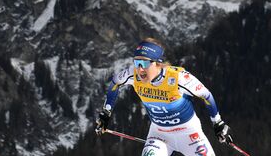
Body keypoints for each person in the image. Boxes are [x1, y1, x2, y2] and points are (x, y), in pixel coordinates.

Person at [95, 38, 233, 156]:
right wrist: (105, 114)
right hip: (159, 135)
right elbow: (115, 84)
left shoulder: (178, 78)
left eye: (144, 63)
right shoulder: (133, 75)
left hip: (189, 134)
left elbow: (206, 95)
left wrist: (218, 123)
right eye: (137, 63)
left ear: (158, 63)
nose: (140, 69)